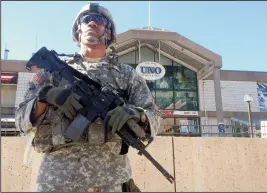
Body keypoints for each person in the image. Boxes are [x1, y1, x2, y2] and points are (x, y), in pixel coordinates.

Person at [15, 3, 161, 192]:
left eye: (99, 20)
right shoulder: (52, 72)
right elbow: (19, 120)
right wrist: (46, 96)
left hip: (110, 181)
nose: (92, 22)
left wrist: (136, 113)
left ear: (108, 32)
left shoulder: (126, 75)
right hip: (56, 181)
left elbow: (154, 116)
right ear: (78, 29)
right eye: (86, 19)